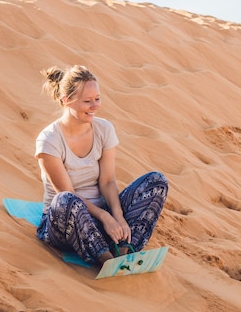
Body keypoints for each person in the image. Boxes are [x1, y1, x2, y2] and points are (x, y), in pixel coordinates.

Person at [35, 65, 168, 265]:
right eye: (87, 101)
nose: (95, 106)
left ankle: (123, 249)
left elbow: (107, 181)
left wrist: (118, 216)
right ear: (66, 101)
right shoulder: (49, 140)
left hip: (100, 218)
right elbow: (67, 191)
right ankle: (106, 259)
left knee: (156, 182)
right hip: (64, 223)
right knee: (66, 200)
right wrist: (105, 217)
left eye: (97, 99)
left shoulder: (104, 129)